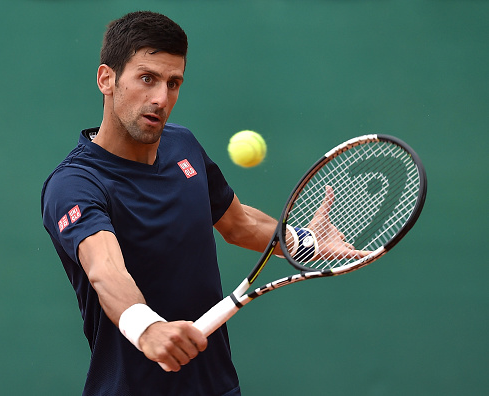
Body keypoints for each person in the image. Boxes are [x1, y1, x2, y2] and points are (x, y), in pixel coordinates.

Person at [41, 11, 365, 396]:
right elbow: (105, 269)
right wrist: (147, 328)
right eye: (147, 78)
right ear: (106, 79)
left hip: (217, 388)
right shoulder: (75, 185)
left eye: (173, 83)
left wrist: (305, 242)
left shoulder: (184, 146)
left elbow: (239, 224)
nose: (161, 98)